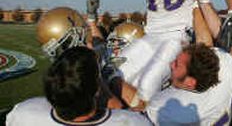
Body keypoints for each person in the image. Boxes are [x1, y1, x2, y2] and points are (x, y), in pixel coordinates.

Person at [6, 47, 151, 126]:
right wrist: (112, 78)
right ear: (97, 89)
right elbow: (136, 107)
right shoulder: (131, 121)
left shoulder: (23, 112)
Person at [145, 42, 232, 125]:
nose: (171, 64)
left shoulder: (166, 106)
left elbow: (140, 106)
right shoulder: (226, 64)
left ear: (190, 82)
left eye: (176, 65)